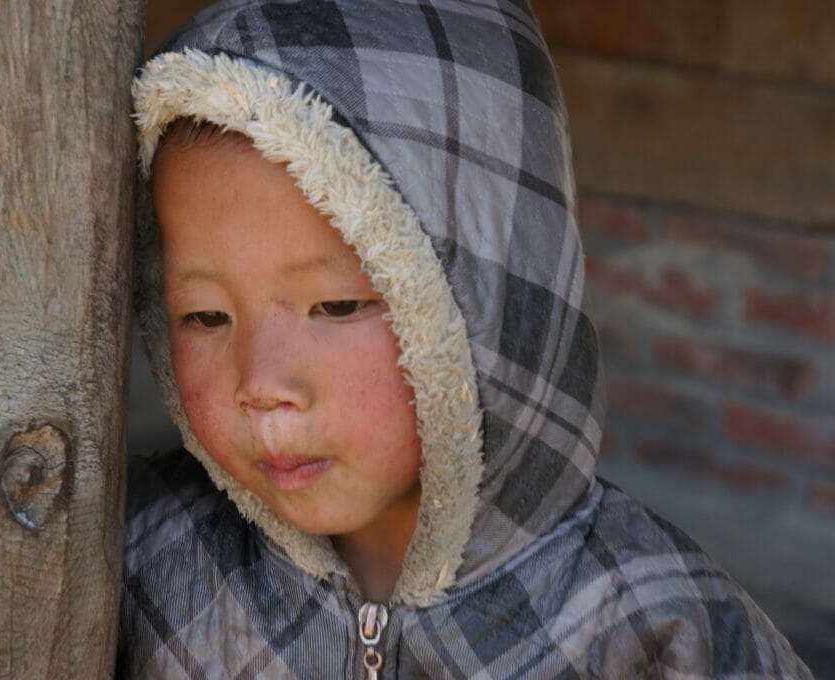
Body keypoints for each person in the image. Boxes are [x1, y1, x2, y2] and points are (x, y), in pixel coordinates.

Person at [119, 0, 813, 677]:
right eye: (206, 316)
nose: (261, 384)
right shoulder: (138, 555)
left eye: (334, 305)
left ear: (480, 304)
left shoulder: (651, 622)